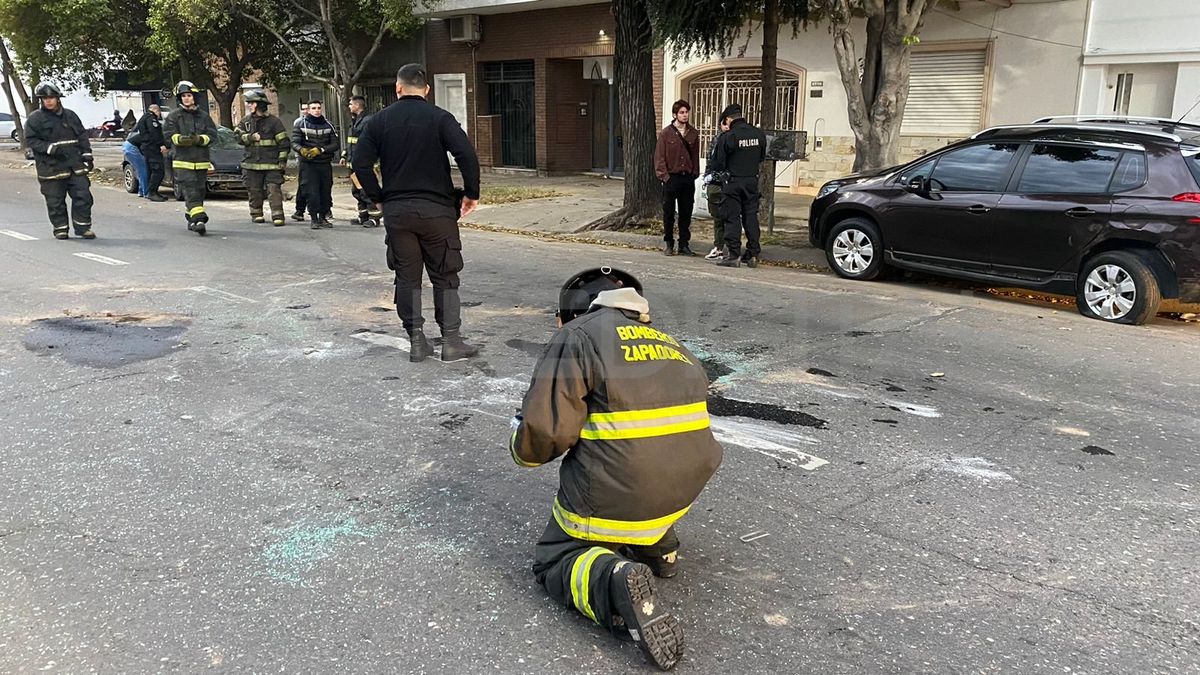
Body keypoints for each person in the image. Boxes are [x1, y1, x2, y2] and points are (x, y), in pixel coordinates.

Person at [509, 266, 723, 672]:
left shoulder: (577, 336)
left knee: (554, 559)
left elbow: (545, 431)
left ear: (574, 311)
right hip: (685, 488)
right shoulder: (674, 344)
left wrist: (521, 448)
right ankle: (660, 549)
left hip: (625, 491)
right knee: (644, 457)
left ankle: (612, 578)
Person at [353, 63, 481, 363]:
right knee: (445, 276)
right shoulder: (440, 118)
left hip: (398, 212)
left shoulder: (378, 121)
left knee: (407, 279)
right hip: (437, 211)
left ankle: (416, 341)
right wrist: (471, 194)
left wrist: (379, 199)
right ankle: (451, 342)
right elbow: (466, 155)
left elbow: (360, 164)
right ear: (426, 89)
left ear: (398, 88)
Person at [23, 82, 96, 239]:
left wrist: (87, 154)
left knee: (83, 196)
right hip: (51, 168)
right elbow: (31, 140)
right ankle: (60, 228)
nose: (48, 101)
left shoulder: (71, 116)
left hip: (75, 165)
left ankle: (83, 228)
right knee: (55, 201)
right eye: (45, 98)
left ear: (57, 98)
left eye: (51, 97)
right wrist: (49, 148)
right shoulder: (35, 119)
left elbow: (82, 135)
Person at [708, 104, 766, 268]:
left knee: (732, 218)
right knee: (750, 217)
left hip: (733, 182)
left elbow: (718, 163)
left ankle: (734, 255)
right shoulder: (758, 134)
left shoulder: (729, 136)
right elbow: (761, 157)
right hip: (751, 181)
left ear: (728, 119)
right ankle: (753, 253)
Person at [164, 81, 219, 235]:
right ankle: (200, 219)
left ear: (194, 97)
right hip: (183, 161)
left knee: (200, 191)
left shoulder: (204, 117)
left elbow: (213, 136)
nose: (187, 98)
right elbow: (168, 136)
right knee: (190, 190)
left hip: (201, 162)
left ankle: (191, 218)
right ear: (179, 99)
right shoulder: (174, 117)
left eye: (189, 95)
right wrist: (180, 140)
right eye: (183, 96)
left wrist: (200, 140)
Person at [236, 90, 291, 226]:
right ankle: (256, 214)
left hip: (272, 164)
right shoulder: (245, 122)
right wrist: (250, 137)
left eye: (251, 103)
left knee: (274, 190)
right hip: (251, 164)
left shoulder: (274, 122)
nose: (249, 105)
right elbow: (236, 137)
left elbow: (284, 143)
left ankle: (278, 216)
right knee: (254, 190)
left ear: (259, 105)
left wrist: (282, 161)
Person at [653, 100, 700, 257]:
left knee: (686, 213)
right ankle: (669, 243)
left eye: (686, 112)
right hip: (671, 178)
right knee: (668, 213)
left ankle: (684, 244)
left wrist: (694, 173)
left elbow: (695, 156)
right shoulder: (666, 133)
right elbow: (659, 157)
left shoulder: (693, 133)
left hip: (687, 178)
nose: (684, 115)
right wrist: (664, 176)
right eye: (681, 112)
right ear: (675, 114)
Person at [292, 99, 339, 229]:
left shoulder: (328, 125)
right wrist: (302, 150)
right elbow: (295, 142)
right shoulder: (301, 124)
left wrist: (321, 150)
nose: (317, 110)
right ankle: (313, 218)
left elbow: (335, 144)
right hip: (308, 165)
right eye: (313, 108)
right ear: (308, 110)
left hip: (324, 164)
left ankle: (323, 217)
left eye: (318, 108)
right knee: (311, 192)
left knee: (325, 191)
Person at [342, 95, 381, 227]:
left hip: (365, 165)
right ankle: (363, 216)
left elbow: (370, 143)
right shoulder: (355, 120)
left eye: (351, 104)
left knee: (366, 191)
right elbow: (351, 141)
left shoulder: (368, 121)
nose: (349, 106)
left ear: (357, 105)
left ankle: (374, 218)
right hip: (354, 163)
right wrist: (344, 155)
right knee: (357, 191)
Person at [702, 117, 732, 260]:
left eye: (729, 124)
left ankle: (730, 248)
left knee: (730, 218)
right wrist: (708, 176)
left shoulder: (733, 140)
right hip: (715, 184)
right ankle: (719, 247)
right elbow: (710, 159)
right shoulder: (716, 140)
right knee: (717, 217)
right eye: (724, 124)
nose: (727, 127)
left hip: (729, 184)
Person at [135, 104, 168, 202]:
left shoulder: (143, 117)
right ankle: (152, 192)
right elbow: (154, 132)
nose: (159, 114)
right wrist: (161, 144)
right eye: (159, 112)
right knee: (158, 170)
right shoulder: (151, 118)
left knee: (152, 170)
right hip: (152, 147)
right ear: (156, 110)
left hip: (147, 147)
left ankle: (154, 192)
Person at [291, 102, 311, 221]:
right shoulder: (298, 123)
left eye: (307, 108)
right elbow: (296, 142)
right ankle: (300, 210)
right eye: (303, 109)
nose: (305, 111)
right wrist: (299, 155)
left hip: (319, 160)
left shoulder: (323, 122)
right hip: (303, 159)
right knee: (304, 184)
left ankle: (325, 210)